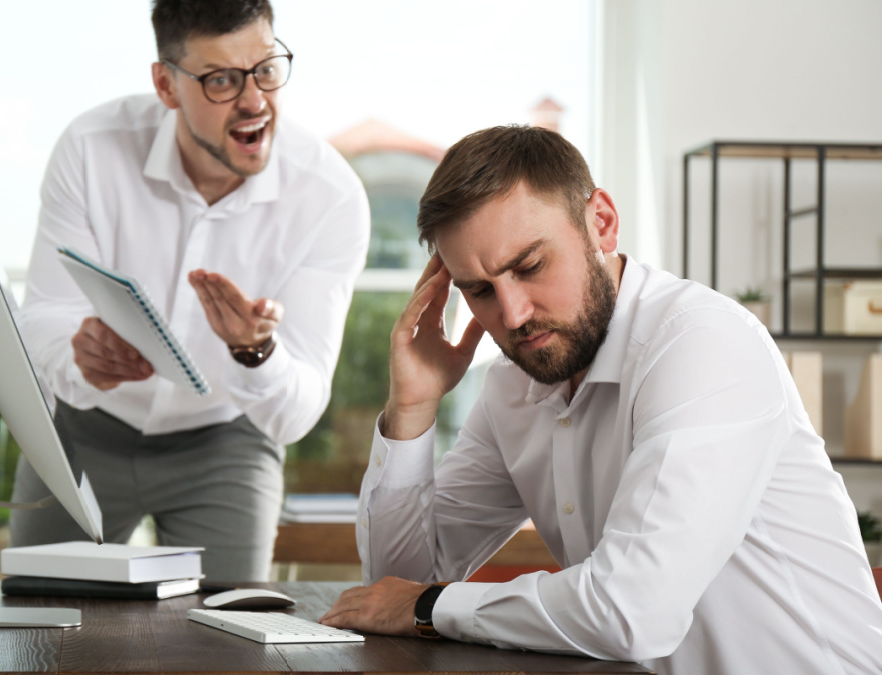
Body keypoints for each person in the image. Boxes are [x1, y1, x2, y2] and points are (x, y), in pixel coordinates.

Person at [318, 126, 882, 674]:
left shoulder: (702, 342)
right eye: (481, 290)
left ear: (602, 223)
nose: (512, 315)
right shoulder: (511, 388)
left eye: (530, 266)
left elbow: (631, 611)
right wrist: (412, 411)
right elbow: (394, 587)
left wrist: (428, 608)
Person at [10, 0, 369, 582]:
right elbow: (45, 314)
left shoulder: (330, 198)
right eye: (222, 79)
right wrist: (79, 355)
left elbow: (296, 416)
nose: (254, 100)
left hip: (225, 442)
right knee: (38, 622)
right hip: (84, 427)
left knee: (232, 645)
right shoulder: (89, 148)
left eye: (267, 69)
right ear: (166, 85)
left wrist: (256, 352)